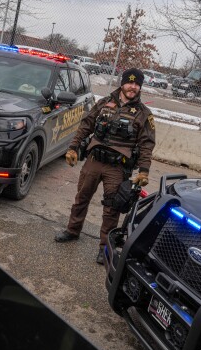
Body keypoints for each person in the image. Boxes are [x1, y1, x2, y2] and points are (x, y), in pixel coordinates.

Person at [54, 68, 155, 265]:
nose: (132, 87)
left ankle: (104, 248)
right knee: (81, 197)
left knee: (111, 208)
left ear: (140, 87)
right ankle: (72, 231)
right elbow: (86, 125)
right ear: (122, 83)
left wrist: (144, 170)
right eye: (129, 82)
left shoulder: (144, 114)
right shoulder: (103, 103)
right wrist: (73, 147)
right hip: (94, 161)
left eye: (137, 84)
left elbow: (146, 144)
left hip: (117, 168)